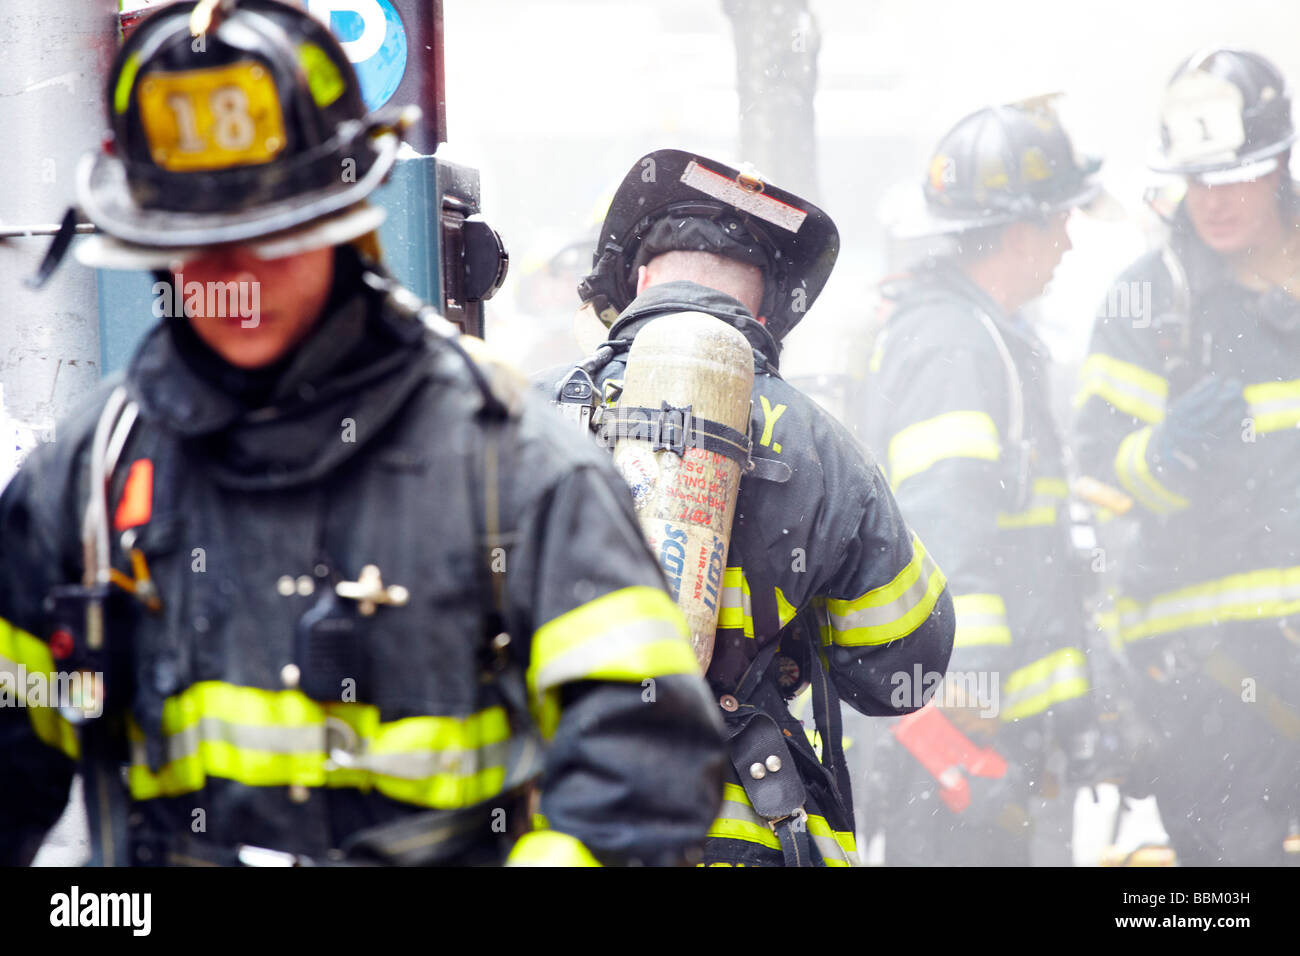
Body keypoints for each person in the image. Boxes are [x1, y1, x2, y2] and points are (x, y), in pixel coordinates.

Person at [0, 0, 725, 868]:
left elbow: (646, 774)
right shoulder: (89, 481)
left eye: (269, 234)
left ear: (345, 220)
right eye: (198, 242)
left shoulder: (518, 468)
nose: (233, 275)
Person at [537, 148, 955, 866]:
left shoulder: (528, 412)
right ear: (763, 308)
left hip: (563, 830)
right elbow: (903, 666)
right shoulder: (821, 442)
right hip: (747, 833)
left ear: (637, 280)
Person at [860, 99, 1104, 865]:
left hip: (988, 742)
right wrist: (970, 714)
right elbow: (944, 538)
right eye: (1059, 218)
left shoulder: (984, 337)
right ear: (1019, 229)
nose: (1069, 239)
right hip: (965, 750)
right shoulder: (956, 348)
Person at [1073, 48, 1300, 865]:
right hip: (1208, 677)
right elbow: (1096, 476)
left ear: (1279, 163)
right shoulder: (1150, 304)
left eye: (1236, 175)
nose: (1215, 200)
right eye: (1199, 180)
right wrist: (1160, 460)